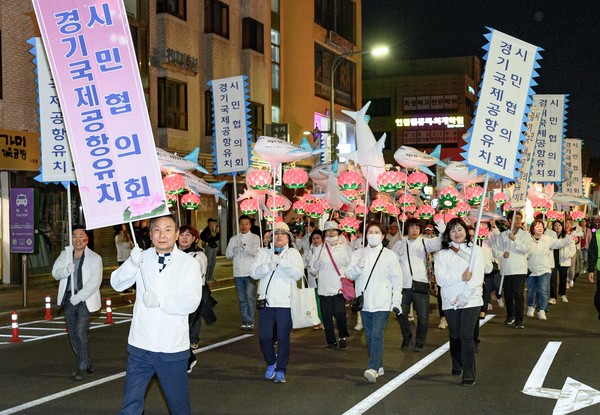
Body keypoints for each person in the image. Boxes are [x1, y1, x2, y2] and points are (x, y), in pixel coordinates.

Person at [111, 214, 202, 414]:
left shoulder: (189, 264)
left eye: (168, 229)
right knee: (131, 404)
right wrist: (131, 264)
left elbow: (192, 302)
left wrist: (161, 301)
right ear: (150, 234)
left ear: (177, 234)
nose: (162, 235)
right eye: (157, 230)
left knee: (178, 406)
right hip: (140, 345)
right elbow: (117, 283)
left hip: (171, 347)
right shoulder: (141, 258)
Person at [347, 221, 403, 383]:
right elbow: (349, 274)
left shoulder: (389, 255)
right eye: (370, 232)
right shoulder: (358, 254)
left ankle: (372, 367)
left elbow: (396, 280)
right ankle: (378, 364)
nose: (373, 235)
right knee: (370, 335)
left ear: (383, 235)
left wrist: (396, 300)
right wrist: (358, 266)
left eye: (376, 232)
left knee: (377, 334)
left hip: (382, 301)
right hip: (364, 302)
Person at [250, 222, 304, 384]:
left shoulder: (293, 254)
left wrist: (282, 262)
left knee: (282, 337)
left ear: (289, 237)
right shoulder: (263, 252)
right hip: (266, 301)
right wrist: (269, 265)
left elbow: (298, 274)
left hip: (285, 303)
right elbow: (253, 273)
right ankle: (271, 362)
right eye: (276, 233)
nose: (279, 236)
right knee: (264, 337)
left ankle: (281, 369)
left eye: (283, 233)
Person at [434, 218, 484, 387]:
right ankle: (457, 363)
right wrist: (459, 277)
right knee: (454, 336)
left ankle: (469, 373)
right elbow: (441, 279)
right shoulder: (442, 255)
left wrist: (464, 297)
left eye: (460, 229)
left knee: (466, 336)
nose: (457, 233)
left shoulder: (476, 251)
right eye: (453, 230)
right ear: (448, 234)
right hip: (450, 301)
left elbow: (477, 277)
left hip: (471, 300)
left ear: (466, 231)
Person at [52, 225, 103, 381]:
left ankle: (81, 367)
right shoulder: (65, 255)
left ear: (87, 238)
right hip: (68, 299)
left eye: (82, 235)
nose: (78, 239)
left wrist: (80, 296)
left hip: (85, 300)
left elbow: (95, 281)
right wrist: (66, 270)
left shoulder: (95, 258)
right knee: (73, 333)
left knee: (80, 331)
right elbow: (55, 273)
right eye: (75, 235)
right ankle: (86, 361)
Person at [392, 218, 442, 352]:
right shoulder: (399, 244)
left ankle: (419, 342)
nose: (415, 230)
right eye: (412, 227)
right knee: (401, 314)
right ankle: (407, 337)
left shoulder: (425, 242)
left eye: (417, 228)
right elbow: (391, 262)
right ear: (407, 228)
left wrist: (442, 228)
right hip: (403, 286)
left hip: (421, 284)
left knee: (423, 317)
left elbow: (440, 242)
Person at [308, 221, 353, 350]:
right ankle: (331, 341)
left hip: (339, 287)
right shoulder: (318, 249)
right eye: (328, 230)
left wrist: (346, 275)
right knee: (326, 316)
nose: (331, 232)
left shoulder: (345, 248)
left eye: (334, 230)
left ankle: (342, 337)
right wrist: (314, 265)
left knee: (339, 314)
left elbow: (351, 266)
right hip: (324, 288)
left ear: (338, 232)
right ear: (325, 233)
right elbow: (312, 270)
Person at [526, 220, 576, 320]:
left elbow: (560, 243)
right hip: (531, 269)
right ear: (532, 228)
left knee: (542, 290)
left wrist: (570, 237)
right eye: (537, 226)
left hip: (545, 268)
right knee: (531, 291)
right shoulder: (527, 239)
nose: (540, 228)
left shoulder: (548, 239)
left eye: (541, 226)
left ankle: (541, 310)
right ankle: (531, 307)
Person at [177, 225, 209, 375]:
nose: (184, 237)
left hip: (192, 295)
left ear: (195, 239)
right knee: (177, 329)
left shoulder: (198, 256)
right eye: (181, 234)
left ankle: (188, 357)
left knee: (184, 328)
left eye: (188, 235)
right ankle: (186, 357)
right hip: (174, 295)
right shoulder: (171, 253)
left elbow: (196, 275)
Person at [492, 211, 531, 329]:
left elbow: (526, 249)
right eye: (516, 219)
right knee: (508, 294)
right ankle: (510, 315)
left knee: (518, 294)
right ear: (509, 221)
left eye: (520, 219)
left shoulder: (525, 235)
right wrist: (502, 254)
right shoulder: (502, 235)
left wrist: (515, 240)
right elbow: (495, 250)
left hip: (519, 270)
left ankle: (519, 320)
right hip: (506, 270)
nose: (518, 221)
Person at [226, 214, 261, 330]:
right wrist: (235, 248)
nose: (244, 226)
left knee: (250, 297)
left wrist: (244, 246)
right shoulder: (234, 239)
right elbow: (228, 255)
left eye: (246, 224)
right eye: (241, 224)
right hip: (238, 273)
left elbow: (255, 252)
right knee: (242, 299)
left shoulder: (255, 238)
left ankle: (251, 320)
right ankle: (245, 319)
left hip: (250, 272)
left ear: (250, 225)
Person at [551, 220, 576, 303]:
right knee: (553, 279)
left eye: (559, 225)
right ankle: (553, 297)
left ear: (562, 226)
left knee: (563, 278)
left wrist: (567, 255)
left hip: (564, 260)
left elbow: (573, 249)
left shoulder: (567, 236)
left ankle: (562, 294)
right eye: (555, 226)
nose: (557, 227)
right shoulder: (550, 236)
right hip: (553, 260)